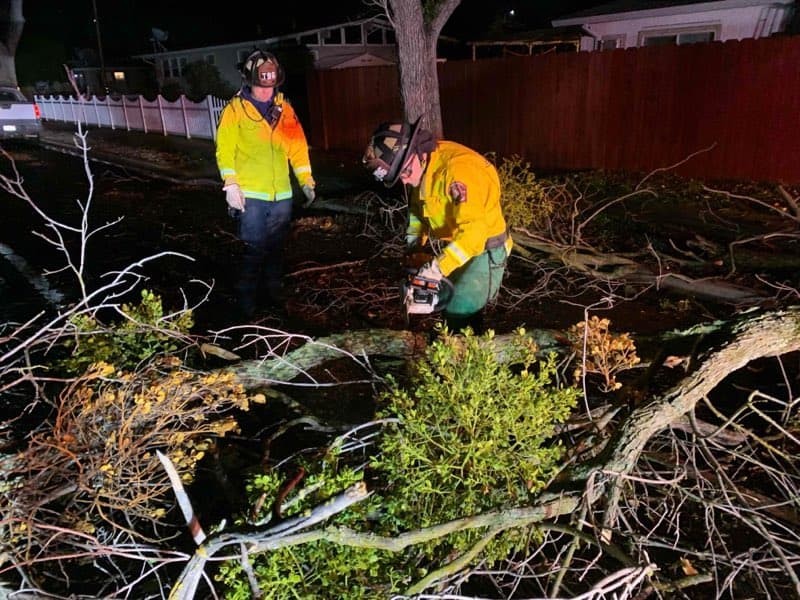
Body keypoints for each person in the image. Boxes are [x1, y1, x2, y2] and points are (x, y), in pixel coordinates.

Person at [362, 119, 513, 332]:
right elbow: (417, 212)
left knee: (460, 306)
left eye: (405, 173)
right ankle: (454, 340)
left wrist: (437, 268)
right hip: (460, 243)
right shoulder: (422, 169)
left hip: (486, 248)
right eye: (399, 177)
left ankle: (465, 349)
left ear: (417, 152)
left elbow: (473, 234)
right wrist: (414, 248)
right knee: (449, 299)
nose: (405, 181)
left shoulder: (459, 173)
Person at [215, 49, 316, 319]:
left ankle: (274, 295)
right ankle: (246, 304)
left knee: (275, 250)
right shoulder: (235, 111)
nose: (265, 92)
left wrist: (306, 181)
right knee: (253, 250)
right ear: (249, 82)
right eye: (260, 86)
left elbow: (297, 147)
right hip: (251, 196)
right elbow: (224, 149)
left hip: (281, 195)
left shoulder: (285, 110)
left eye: (269, 86)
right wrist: (231, 184)